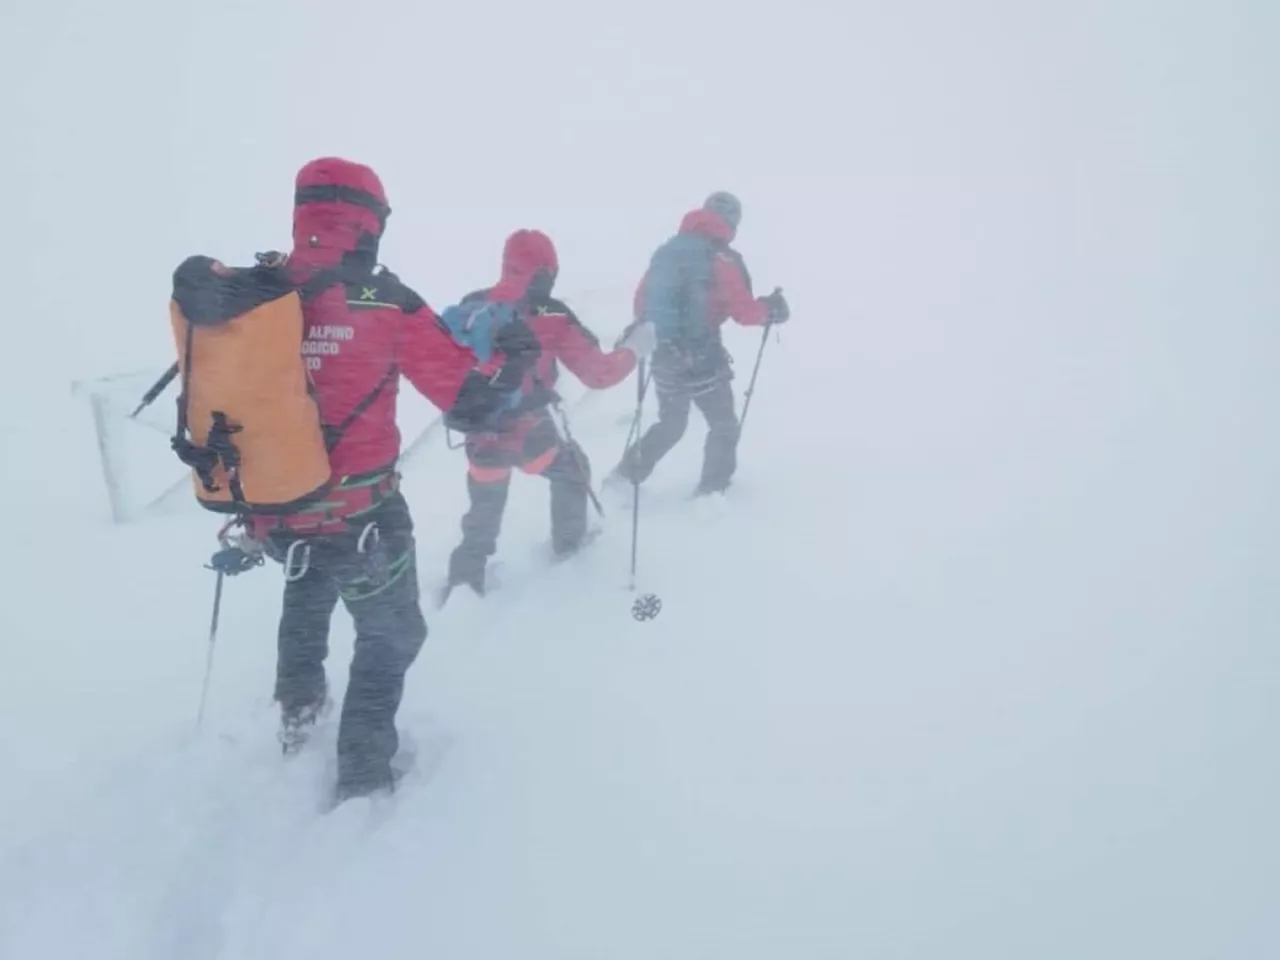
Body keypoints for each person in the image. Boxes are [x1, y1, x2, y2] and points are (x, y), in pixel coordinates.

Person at [248, 157, 540, 803]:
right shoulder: (385, 301)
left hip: (278, 511)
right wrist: (516, 361)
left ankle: (297, 718)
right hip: (363, 517)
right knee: (392, 633)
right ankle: (361, 770)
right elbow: (470, 406)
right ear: (369, 223)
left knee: (307, 589)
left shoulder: (259, 290)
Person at [442, 228, 655, 600]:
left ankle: (464, 582)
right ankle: (569, 551)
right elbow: (598, 373)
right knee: (573, 471)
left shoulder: (474, 303)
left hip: (479, 430)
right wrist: (635, 350)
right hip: (529, 430)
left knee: (484, 509)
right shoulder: (551, 312)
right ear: (546, 271)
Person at [610, 192, 789, 496]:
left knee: (672, 422)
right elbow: (744, 312)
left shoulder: (667, 252)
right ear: (732, 222)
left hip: (663, 353)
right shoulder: (721, 257)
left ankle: (625, 476)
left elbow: (641, 302)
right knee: (723, 424)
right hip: (702, 355)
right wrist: (770, 310)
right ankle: (712, 490)